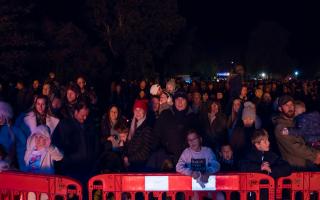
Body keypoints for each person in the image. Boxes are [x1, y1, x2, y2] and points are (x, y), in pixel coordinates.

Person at [273, 95, 320, 170]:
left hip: (306, 163)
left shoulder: (295, 121)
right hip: (295, 167)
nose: (290, 107)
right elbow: (295, 147)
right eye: (286, 105)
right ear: (280, 109)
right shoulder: (280, 127)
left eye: (291, 104)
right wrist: (315, 155)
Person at [123, 99, 154, 171]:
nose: (138, 112)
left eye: (140, 110)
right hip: (131, 164)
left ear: (145, 111)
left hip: (140, 166)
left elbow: (145, 152)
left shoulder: (147, 128)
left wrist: (129, 159)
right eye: (136, 110)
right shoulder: (133, 125)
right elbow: (130, 145)